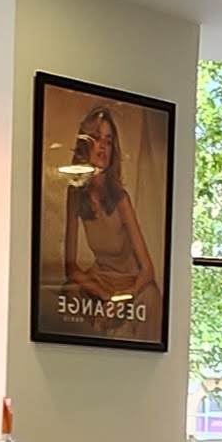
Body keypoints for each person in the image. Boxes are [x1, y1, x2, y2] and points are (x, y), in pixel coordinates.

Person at [54, 100, 158, 314]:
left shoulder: (120, 199)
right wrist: (103, 295)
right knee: (69, 291)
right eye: (96, 139)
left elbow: (148, 269)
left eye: (108, 142)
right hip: (101, 279)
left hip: (129, 281)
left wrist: (127, 295)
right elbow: (71, 267)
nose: (102, 146)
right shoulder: (75, 193)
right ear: (85, 144)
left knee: (151, 300)